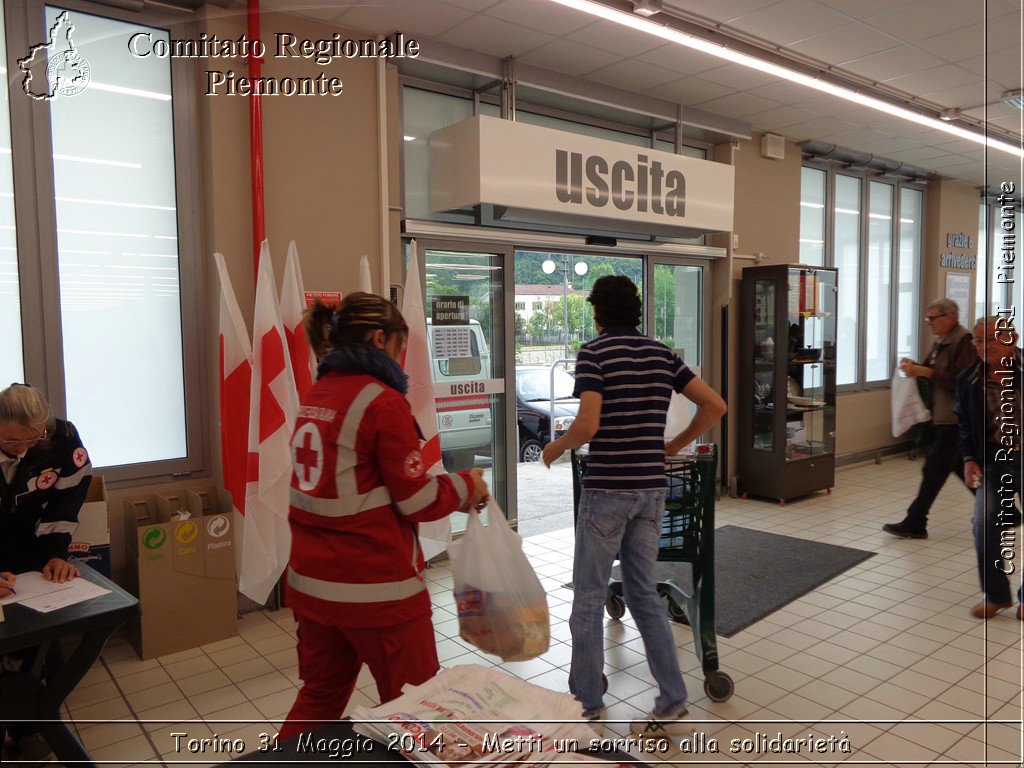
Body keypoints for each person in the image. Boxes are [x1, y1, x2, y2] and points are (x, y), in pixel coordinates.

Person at [279, 292, 489, 740]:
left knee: (319, 698)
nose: (404, 357)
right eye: (401, 344)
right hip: (376, 590)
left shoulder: (318, 394)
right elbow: (417, 501)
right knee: (417, 704)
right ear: (379, 339)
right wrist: (468, 485)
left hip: (312, 588)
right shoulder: (381, 402)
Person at [541, 276, 726, 736]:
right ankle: (673, 698)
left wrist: (555, 447)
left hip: (606, 491)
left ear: (598, 313)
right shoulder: (663, 354)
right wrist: (675, 444)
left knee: (587, 596)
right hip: (651, 490)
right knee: (643, 594)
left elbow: (587, 425)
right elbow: (715, 405)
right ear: (637, 311)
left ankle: (587, 701)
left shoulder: (594, 353)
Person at [0, 383, 91, 762]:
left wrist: (56, 553)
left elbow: (69, 494)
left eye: (32, 440)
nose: (23, 450)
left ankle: (29, 728)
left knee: (37, 638)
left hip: (28, 546)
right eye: (11, 441)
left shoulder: (61, 438)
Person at [883, 298, 977, 539]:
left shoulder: (964, 342)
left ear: (951, 317)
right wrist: (915, 367)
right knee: (956, 467)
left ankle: (915, 522)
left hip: (957, 419)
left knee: (933, 469)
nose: (929, 323)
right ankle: (1005, 510)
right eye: (928, 319)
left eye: (933, 318)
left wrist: (925, 371)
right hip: (943, 417)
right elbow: (931, 371)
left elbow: (963, 381)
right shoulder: (941, 342)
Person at [955, 315, 1023, 620]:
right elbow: (965, 424)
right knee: (984, 525)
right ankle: (997, 595)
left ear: (1013, 339)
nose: (984, 346)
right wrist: (969, 459)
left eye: (992, 339)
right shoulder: (969, 379)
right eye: (979, 339)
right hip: (995, 460)